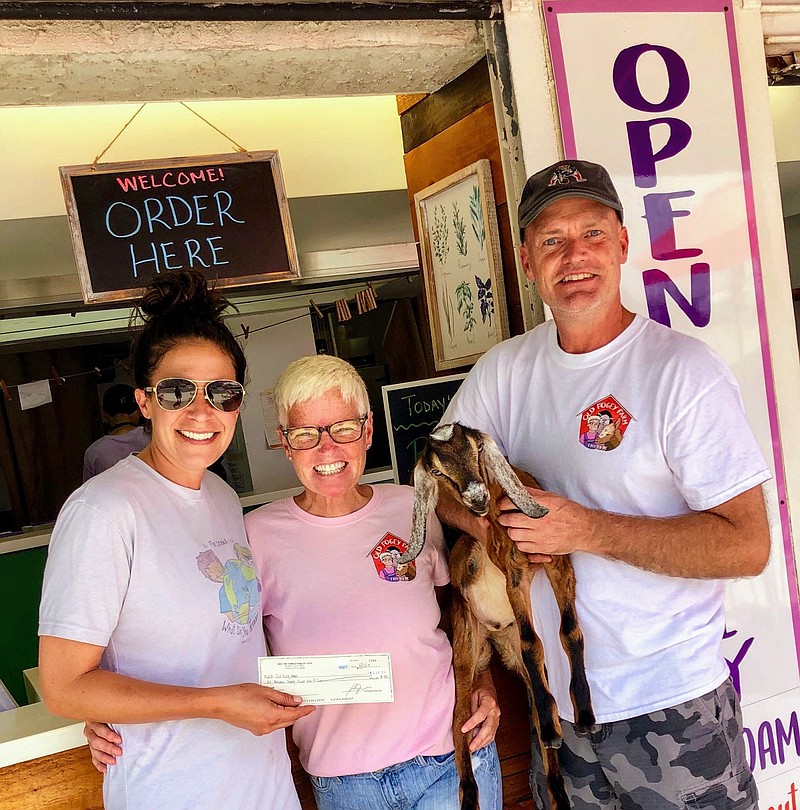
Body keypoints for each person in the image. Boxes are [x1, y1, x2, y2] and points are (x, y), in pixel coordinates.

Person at [440, 159, 771, 809]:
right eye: (552, 240)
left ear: (623, 244)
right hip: (560, 716)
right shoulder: (505, 372)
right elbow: (441, 477)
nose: (575, 256)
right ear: (527, 261)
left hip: (673, 708)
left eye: (592, 234)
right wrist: (491, 525)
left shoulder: (680, 372)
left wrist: (585, 529)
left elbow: (746, 545)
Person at [88, 354, 504, 809]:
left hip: (453, 756)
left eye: (344, 428)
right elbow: (210, 645)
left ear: (367, 431)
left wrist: (482, 679)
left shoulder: (412, 506)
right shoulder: (254, 536)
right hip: (344, 782)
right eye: (306, 435)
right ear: (285, 445)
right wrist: (105, 712)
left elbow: (460, 615)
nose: (327, 451)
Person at [39, 269, 312, 810]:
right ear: (144, 401)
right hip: (172, 791)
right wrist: (218, 705)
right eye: (176, 390)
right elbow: (64, 686)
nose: (201, 410)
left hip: (264, 785)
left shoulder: (222, 497)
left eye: (222, 392)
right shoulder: (103, 510)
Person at [82, 383, 150, 480]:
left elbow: (88, 491)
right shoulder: (155, 438)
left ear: (105, 413)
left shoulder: (94, 452)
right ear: (139, 411)